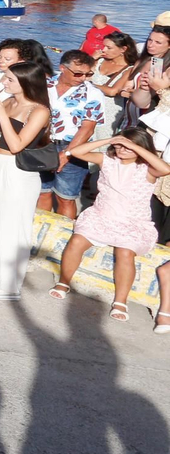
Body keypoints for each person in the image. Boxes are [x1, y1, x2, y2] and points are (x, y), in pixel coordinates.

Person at [50, 129, 170, 320]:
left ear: (141, 148)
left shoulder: (147, 168)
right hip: (101, 216)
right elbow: (76, 152)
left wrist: (134, 146)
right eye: (120, 145)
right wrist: (109, 139)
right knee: (77, 241)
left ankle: (120, 301)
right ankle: (64, 282)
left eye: (128, 147)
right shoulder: (106, 159)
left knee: (125, 252)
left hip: (133, 223)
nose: (122, 149)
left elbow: (166, 169)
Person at [0, 62, 52, 302]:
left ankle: (10, 285)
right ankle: (1, 276)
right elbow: (5, 138)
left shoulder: (39, 111)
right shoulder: (8, 102)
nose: (4, 83)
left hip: (19, 172)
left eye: (9, 79)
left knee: (14, 227)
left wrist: (0, 115)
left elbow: (19, 144)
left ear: (26, 82)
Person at [41, 49, 104, 219]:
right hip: (43, 143)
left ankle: (62, 234)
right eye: (78, 73)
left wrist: (67, 153)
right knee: (42, 192)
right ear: (62, 68)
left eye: (87, 74)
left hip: (74, 146)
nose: (83, 78)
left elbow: (87, 128)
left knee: (66, 197)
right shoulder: (44, 85)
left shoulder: (93, 93)